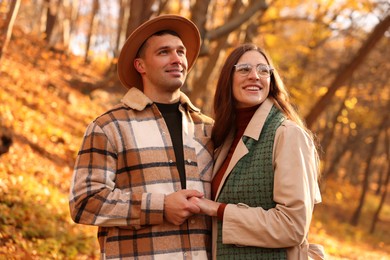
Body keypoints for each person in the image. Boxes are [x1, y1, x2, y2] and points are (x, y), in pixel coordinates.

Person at [69, 15, 214, 259]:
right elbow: (84, 202)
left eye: (181, 52)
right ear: (141, 66)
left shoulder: (209, 130)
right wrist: (160, 207)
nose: (177, 59)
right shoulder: (109, 127)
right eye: (164, 52)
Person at [189, 43, 324, 259]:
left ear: (271, 81)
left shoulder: (287, 134)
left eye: (263, 70)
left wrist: (218, 209)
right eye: (244, 69)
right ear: (228, 79)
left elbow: (293, 226)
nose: (255, 76)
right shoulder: (224, 138)